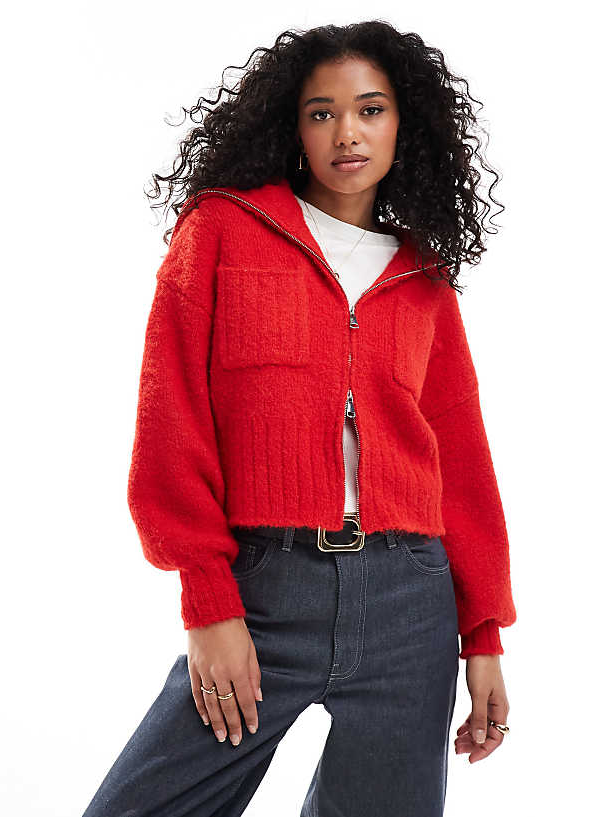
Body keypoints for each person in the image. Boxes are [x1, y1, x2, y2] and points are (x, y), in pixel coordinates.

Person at [81, 19, 516, 817]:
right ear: (293, 126)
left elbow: (460, 458)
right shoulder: (222, 231)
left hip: (409, 603)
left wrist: (482, 632)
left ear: (404, 124)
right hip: (263, 588)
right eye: (322, 113)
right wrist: (208, 600)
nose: (347, 132)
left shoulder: (423, 275)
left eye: (371, 109)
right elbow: (171, 417)